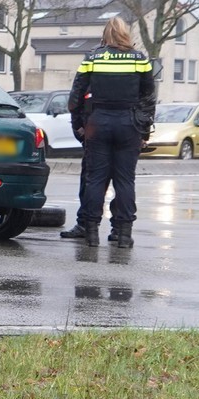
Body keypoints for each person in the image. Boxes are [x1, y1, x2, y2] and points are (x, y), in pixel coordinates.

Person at [63, 17, 156, 248]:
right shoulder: (140, 59)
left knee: (95, 179)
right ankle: (124, 235)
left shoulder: (92, 58)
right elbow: (149, 97)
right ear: (126, 35)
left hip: (98, 123)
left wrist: (79, 126)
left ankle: (91, 232)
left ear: (105, 34)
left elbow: (76, 97)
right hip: (129, 124)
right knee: (125, 181)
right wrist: (144, 131)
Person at [60, 92, 123, 242]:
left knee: (93, 182)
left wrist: (80, 129)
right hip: (123, 132)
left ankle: (88, 226)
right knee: (121, 183)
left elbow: (76, 100)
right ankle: (120, 230)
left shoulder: (92, 70)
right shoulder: (135, 70)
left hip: (98, 133)